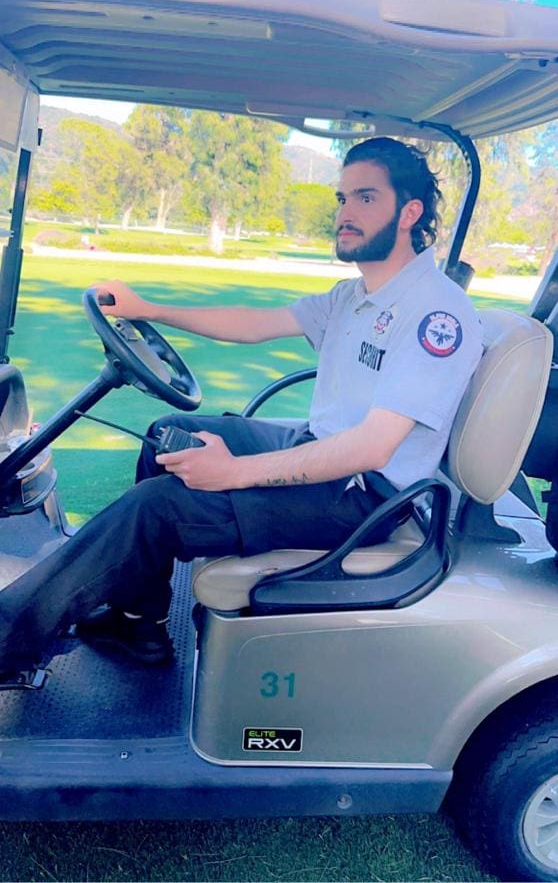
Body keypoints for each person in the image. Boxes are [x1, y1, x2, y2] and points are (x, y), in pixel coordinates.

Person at [0, 137, 483, 674]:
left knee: (157, 506)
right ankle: (139, 622)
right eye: (343, 199)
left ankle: (7, 641)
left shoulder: (436, 316)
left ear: (408, 212)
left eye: (365, 199)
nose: (345, 214)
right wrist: (151, 309)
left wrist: (233, 472)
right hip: (324, 451)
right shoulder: (355, 295)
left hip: (368, 500)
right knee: (168, 434)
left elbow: (372, 449)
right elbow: (256, 324)